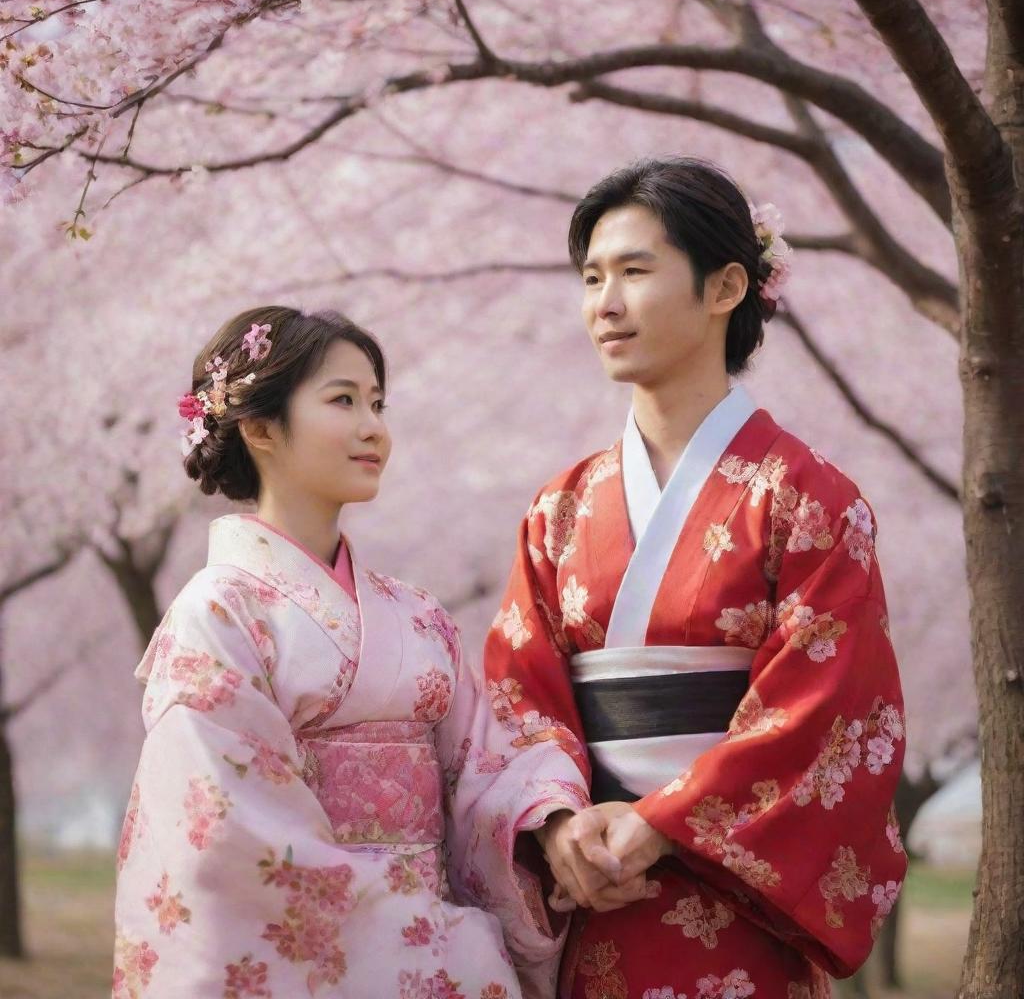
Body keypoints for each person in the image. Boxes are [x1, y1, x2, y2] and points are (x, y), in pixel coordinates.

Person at [483, 158, 908, 999]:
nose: (604, 304)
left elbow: (820, 710)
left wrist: (658, 826)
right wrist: (561, 823)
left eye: (635, 273)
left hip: (731, 901)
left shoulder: (810, 499)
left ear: (724, 289)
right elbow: (515, 692)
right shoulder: (559, 508)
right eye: (592, 277)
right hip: (595, 890)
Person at [113, 307, 581, 999]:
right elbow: (231, 832)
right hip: (365, 960)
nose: (375, 428)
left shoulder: (419, 615)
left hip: (442, 938)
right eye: (343, 401)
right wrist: (434, 941)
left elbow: (486, 764)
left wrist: (552, 818)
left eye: (378, 403)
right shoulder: (216, 614)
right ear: (261, 427)